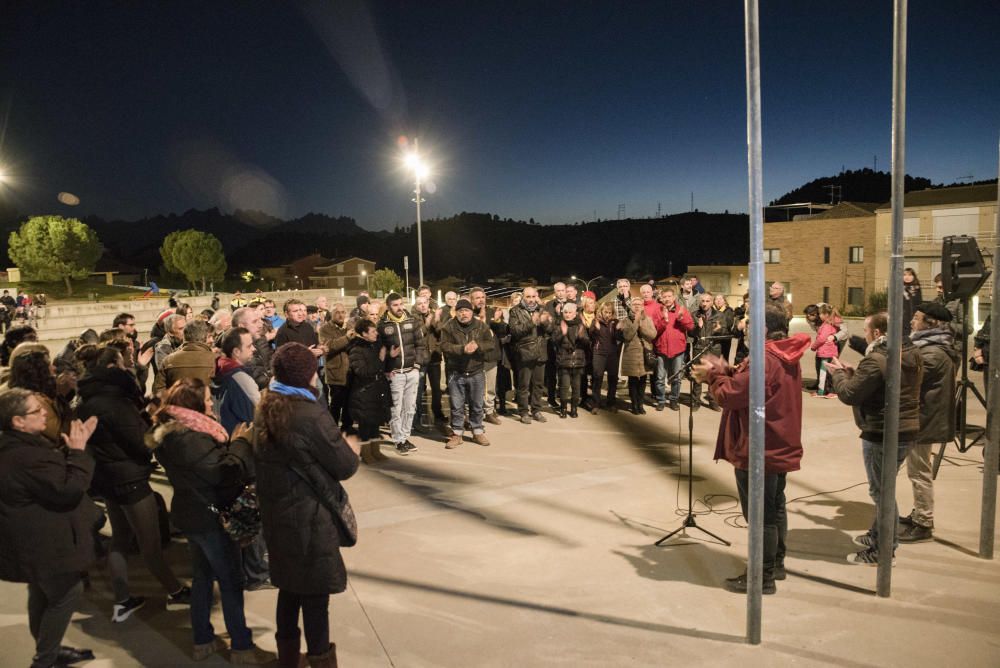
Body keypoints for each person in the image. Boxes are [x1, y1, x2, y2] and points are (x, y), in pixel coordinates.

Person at [147, 379, 276, 664]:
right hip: (209, 519)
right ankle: (241, 647)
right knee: (230, 581)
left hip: (192, 514)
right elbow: (223, 472)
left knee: (203, 577)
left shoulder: (174, 432)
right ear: (192, 404)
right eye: (206, 399)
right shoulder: (189, 438)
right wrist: (241, 443)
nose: (210, 403)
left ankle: (202, 641)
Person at [252, 343, 361, 668]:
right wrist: (349, 447)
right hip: (309, 519)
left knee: (288, 588)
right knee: (314, 599)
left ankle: (288, 660)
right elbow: (344, 466)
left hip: (277, 515)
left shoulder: (267, 403)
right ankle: (320, 661)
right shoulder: (309, 412)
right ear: (307, 375)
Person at [695, 303, 810, 594]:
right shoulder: (780, 353)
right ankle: (776, 565)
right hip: (776, 442)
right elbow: (756, 384)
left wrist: (714, 376)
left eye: (749, 323)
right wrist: (731, 369)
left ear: (764, 329)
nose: (744, 328)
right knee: (774, 507)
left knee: (761, 516)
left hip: (760, 447)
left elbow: (731, 396)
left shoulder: (765, 359)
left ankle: (762, 577)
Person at [76, 345, 191, 622]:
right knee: (150, 543)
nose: (129, 366)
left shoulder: (88, 401)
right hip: (130, 480)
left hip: (108, 479)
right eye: (123, 362)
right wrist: (164, 426)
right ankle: (175, 590)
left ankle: (122, 599)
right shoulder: (116, 403)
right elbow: (143, 444)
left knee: (120, 538)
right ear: (113, 368)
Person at [0, 389, 99, 668]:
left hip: (30, 541)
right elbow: (68, 490)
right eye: (36, 410)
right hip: (43, 542)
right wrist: (78, 454)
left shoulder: (15, 446)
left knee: (41, 593)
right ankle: (44, 660)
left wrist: (68, 451)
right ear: (18, 421)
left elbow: (45, 480)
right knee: (67, 594)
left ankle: (49, 651)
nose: (45, 412)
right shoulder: (27, 456)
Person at [828, 312, 922, 565]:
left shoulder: (877, 358)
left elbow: (849, 394)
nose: (865, 334)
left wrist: (838, 374)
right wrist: (854, 373)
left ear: (878, 333)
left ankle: (883, 550)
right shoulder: (909, 353)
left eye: (867, 329)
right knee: (883, 488)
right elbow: (881, 384)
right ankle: (878, 536)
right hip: (906, 428)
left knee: (881, 491)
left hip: (882, 432)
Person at [900, 302, 958, 543]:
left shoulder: (932, 353)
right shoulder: (930, 347)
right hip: (925, 417)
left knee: (919, 472)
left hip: (924, 420)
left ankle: (924, 522)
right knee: (917, 470)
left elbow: (908, 378)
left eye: (917, 317)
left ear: (931, 323)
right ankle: (919, 513)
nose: (912, 321)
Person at [439, 298, 495, 447]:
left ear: (471, 312)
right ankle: (457, 434)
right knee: (456, 405)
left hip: (476, 371)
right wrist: (462, 349)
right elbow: (444, 346)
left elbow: (491, 344)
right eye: (461, 311)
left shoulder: (481, 326)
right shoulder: (448, 327)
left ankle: (478, 432)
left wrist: (478, 345)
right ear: (456, 313)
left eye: (467, 310)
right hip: (456, 372)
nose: (464, 313)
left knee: (477, 404)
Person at [507, 287, 553, 424]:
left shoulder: (542, 309)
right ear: (523, 297)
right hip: (524, 352)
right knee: (523, 385)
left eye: (534, 296)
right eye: (528, 297)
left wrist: (545, 323)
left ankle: (536, 410)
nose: (531, 300)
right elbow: (515, 331)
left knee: (538, 384)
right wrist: (531, 322)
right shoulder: (515, 311)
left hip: (540, 352)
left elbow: (550, 330)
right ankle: (523, 411)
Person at [348, 319, 390, 463]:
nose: (376, 333)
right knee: (365, 425)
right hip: (364, 393)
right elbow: (362, 371)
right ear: (364, 334)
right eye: (372, 331)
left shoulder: (373, 345)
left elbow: (379, 367)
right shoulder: (356, 349)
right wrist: (380, 359)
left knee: (375, 422)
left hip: (375, 390)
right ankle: (366, 453)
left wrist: (389, 357)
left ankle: (375, 450)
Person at [213, 327, 261, 435]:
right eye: (249, 346)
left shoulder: (220, 367)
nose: (254, 349)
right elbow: (258, 411)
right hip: (240, 438)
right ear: (236, 352)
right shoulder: (240, 378)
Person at [653, 288, 694, 411]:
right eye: (664, 296)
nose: (667, 299)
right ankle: (661, 400)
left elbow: (691, 326)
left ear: (674, 297)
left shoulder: (681, 310)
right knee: (660, 378)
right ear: (661, 298)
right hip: (661, 349)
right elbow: (655, 331)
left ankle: (674, 400)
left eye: (669, 296)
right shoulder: (658, 311)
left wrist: (681, 318)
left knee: (676, 377)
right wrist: (664, 320)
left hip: (678, 349)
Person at [411, 295, 447, 432]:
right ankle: (418, 418)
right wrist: (427, 323)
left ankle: (438, 414)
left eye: (425, 303)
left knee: (436, 390)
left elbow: (440, 331)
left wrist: (436, 320)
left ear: (428, 303)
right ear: (416, 305)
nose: (422, 306)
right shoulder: (413, 317)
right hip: (420, 360)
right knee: (419, 390)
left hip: (434, 357)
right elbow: (417, 335)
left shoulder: (434, 315)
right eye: (419, 303)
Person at [155, 319, 218, 396]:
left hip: (178, 406)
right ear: (201, 337)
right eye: (210, 336)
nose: (212, 340)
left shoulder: (168, 360)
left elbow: (158, 392)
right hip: (208, 406)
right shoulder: (217, 360)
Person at [550, 301, 590, 418]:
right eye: (565, 312)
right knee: (564, 386)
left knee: (576, 387)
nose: (567, 314)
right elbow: (553, 341)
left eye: (570, 312)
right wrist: (562, 333)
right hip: (564, 361)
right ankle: (563, 408)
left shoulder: (581, 325)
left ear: (575, 313)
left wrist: (582, 336)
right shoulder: (559, 324)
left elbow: (587, 343)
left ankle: (574, 409)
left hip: (578, 361)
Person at [619, 296, 656, 415]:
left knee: (643, 380)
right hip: (631, 353)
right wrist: (636, 322)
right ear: (631, 306)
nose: (637, 306)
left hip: (645, 353)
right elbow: (627, 336)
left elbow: (653, 335)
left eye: (639, 304)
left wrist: (642, 326)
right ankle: (634, 404)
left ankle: (640, 404)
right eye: (634, 304)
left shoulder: (648, 319)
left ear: (643, 306)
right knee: (633, 380)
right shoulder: (626, 320)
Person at [319, 304, 352, 430]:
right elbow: (330, 347)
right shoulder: (325, 329)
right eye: (337, 312)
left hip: (350, 371)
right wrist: (347, 338)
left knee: (349, 402)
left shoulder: (349, 327)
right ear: (331, 314)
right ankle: (333, 428)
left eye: (343, 312)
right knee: (336, 403)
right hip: (335, 373)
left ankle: (347, 426)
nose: (341, 315)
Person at [690, 292, 723, 411]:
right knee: (698, 377)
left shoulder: (719, 315)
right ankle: (695, 402)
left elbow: (725, 332)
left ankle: (713, 401)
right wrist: (697, 327)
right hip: (699, 348)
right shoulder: (695, 315)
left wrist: (719, 330)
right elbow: (690, 333)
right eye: (702, 301)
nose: (704, 303)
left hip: (713, 350)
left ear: (712, 302)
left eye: (707, 301)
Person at [589, 301, 620, 413]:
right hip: (599, 353)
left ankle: (611, 402)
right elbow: (591, 336)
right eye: (605, 312)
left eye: (610, 312)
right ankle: (595, 403)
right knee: (597, 377)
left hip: (612, 354)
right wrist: (595, 329)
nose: (607, 314)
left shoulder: (615, 322)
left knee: (613, 379)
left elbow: (618, 338)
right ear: (601, 311)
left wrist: (619, 329)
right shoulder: (596, 321)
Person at [544, 282, 568, 408]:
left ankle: (563, 396)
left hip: (566, 342)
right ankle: (551, 397)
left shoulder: (571, 304)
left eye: (562, 290)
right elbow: (548, 325)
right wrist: (557, 315)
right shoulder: (549, 305)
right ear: (555, 292)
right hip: (552, 342)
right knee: (551, 372)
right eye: (557, 291)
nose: (560, 293)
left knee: (564, 372)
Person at [810, 304, 842, 397]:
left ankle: (821, 391)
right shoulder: (829, 324)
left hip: (825, 353)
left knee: (823, 373)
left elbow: (821, 339)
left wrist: (813, 346)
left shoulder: (827, 326)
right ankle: (831, 391)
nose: (819, 316)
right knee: (829, 373)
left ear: (826, 314)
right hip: (829, 352)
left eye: (820, 314)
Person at [713, 294, 736, 363]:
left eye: (720, 299)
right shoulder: (712, 311)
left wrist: (717, 322)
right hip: (715, 338)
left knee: (724, 359)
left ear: (724, 301)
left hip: (725, 338)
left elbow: (728, 324)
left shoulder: (729, 310)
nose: (718, 301)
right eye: (716, 299)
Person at [901, 268, 923, 339]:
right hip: (902, 318)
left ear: (913, 276)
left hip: (914, 317)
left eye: (910, 274)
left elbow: (919, 303)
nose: (907, 277)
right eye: (904, 275)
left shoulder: (917, 288)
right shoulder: (899, 288)